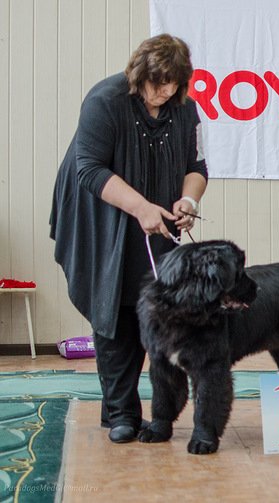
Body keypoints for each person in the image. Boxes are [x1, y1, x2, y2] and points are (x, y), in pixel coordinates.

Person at [49, 34, 208, 443]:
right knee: (114, 303)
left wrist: (187, 200)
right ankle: (120, 412)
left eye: (173, 84)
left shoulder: (187, 110)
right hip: (99, 212)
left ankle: (152, 411)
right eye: (157, 85)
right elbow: (89, 170)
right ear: (138, 77)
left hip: (154, 212)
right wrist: (139, 207)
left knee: (150, 303)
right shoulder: (104, 101)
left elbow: (197, 166)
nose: (164, 92)